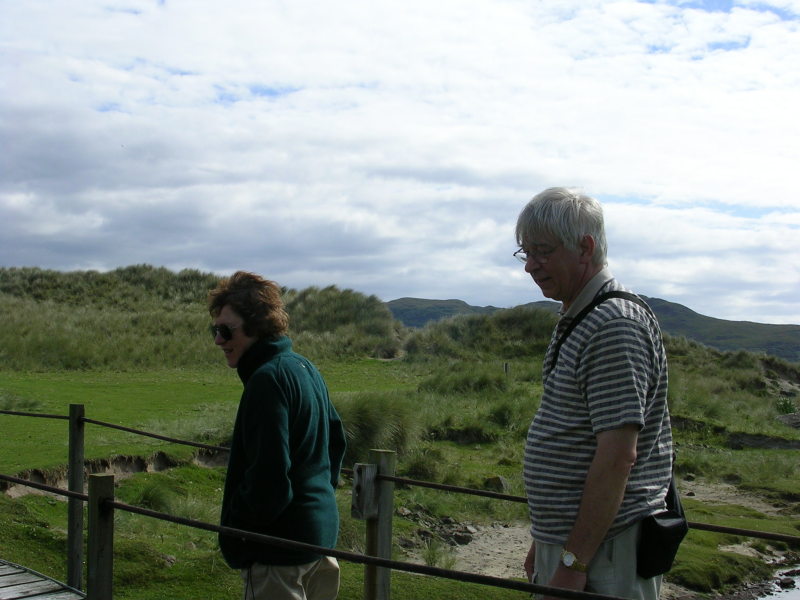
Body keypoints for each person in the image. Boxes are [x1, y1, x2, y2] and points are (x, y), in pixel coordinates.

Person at [516, 188, 673, 600]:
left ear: (585, 248)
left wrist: (573, 564)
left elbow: (617, 458)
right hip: (580, 547)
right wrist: (546, 539)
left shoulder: (613, 325)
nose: (530, 265)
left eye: (543, 251)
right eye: (526, 252)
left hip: (603, 554)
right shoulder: (583, 315)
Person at [208, 271, 347, 600]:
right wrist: (316, 502)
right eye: (214, 330)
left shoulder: (267, 380)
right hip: (319, 540)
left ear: (257, 326)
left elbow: (268, 482)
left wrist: (237, 530)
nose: (218, 340)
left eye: (226, 330)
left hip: (278, 552)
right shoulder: (304, 367)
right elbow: (336, 443)